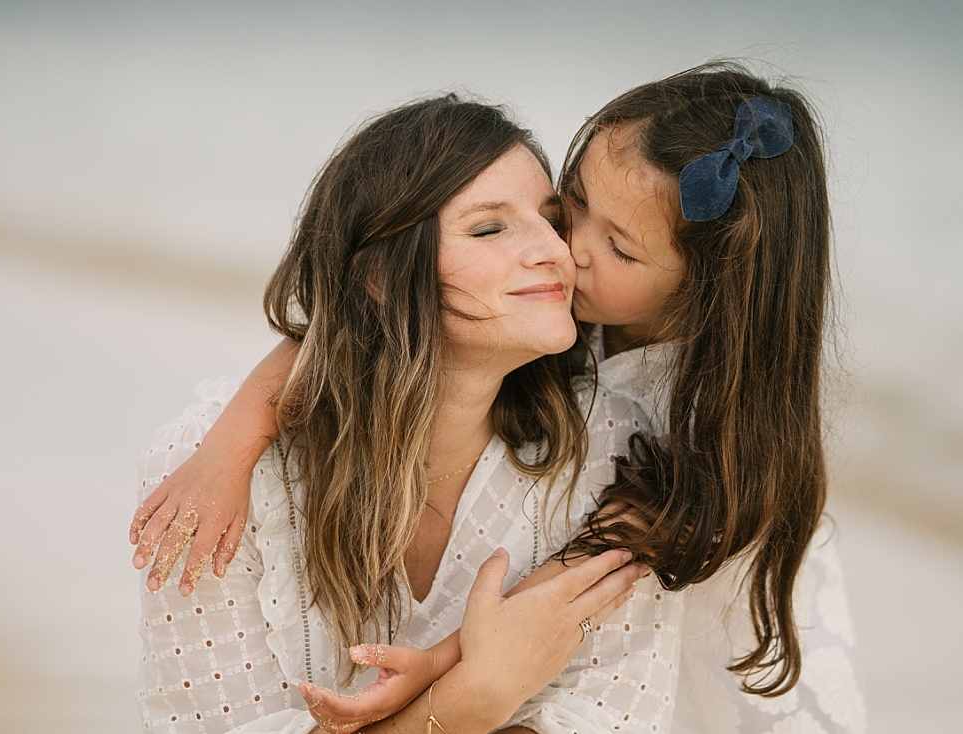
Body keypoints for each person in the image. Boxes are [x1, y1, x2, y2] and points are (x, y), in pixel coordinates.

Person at [134, 63, 864, 732]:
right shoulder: (572, 324)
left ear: (704, 290)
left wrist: (461, 680)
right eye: (570, 208)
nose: (564, 248)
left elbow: (579, 591)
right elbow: (342, 345)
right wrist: (231, 441)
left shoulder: (683, 447)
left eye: (619, 248)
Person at [135, 95, 658, 733]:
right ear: (380, 276)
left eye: (553, 219)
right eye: (490, 228)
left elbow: (608, 717)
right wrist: (475, 699)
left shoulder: (612, 448)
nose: (557, 251)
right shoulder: (213, 468)